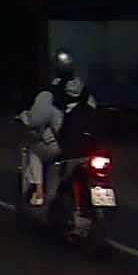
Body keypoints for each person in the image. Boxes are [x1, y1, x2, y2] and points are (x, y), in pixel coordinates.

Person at [17, 49, 100, 206]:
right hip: (86, 148)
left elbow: (35, 120)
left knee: (33, 149)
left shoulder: (50, 95)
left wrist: (23, 117)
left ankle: (38, 193)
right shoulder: (85, 93)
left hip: (62, 146)